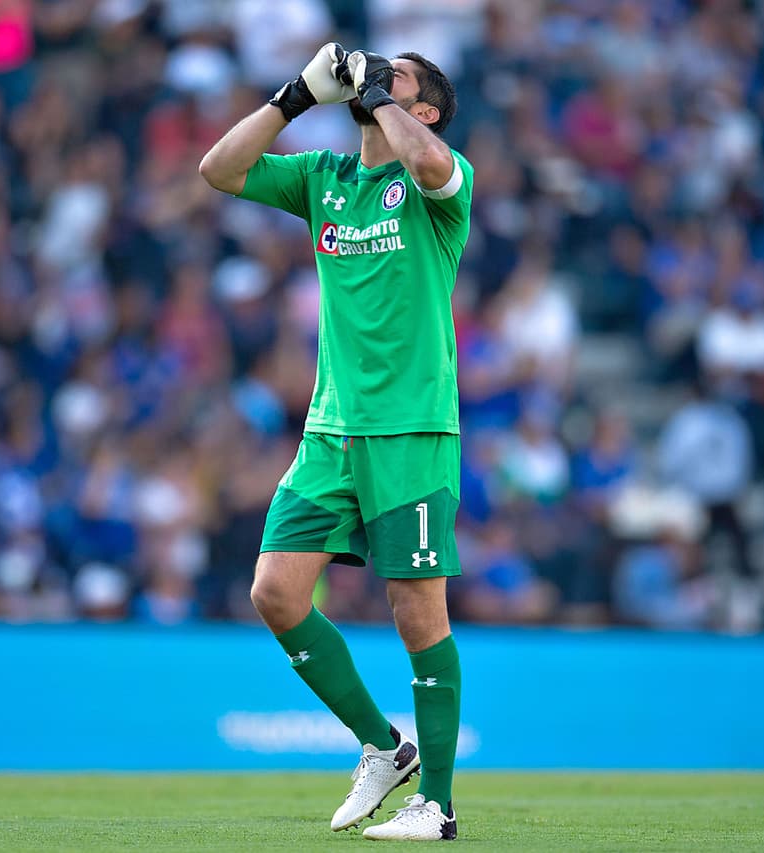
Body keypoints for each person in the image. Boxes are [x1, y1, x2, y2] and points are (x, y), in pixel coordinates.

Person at [200, 42, 469, 842]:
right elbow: (219, 170)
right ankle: (385, 748)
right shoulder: (324, 177)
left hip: (411, 429)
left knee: (417, 613)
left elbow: (429, 167)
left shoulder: (438, 184)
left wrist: (382, 95)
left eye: (403, 79)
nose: (377, 78)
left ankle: (439, 807)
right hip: (330, 431)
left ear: (423, 109)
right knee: (275, 593)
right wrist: (292, 97)